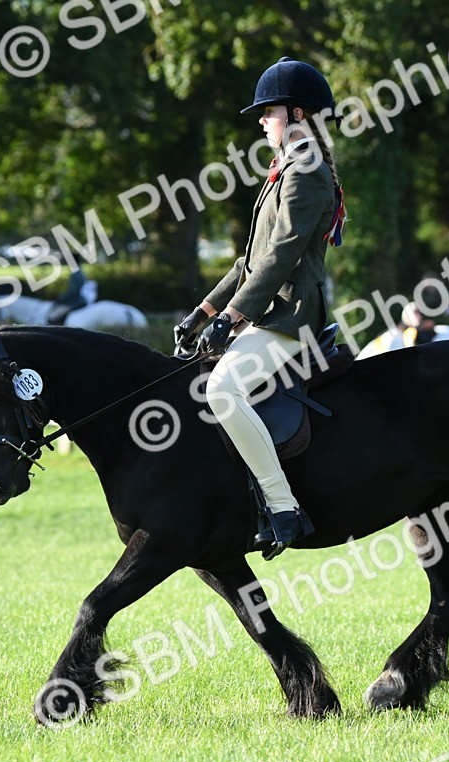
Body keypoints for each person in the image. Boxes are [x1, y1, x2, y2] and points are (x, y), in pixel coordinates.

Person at [173, 57, 346, 560]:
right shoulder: (286, 169)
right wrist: (204, 312)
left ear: (295, 114)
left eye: (267, 112)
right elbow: (249, 261)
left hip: (290, 316)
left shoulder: (306, 170)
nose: (260, 121)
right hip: (269, 309)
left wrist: (232, 317)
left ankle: (283, 506)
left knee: (223, 389)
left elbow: (281, 258)